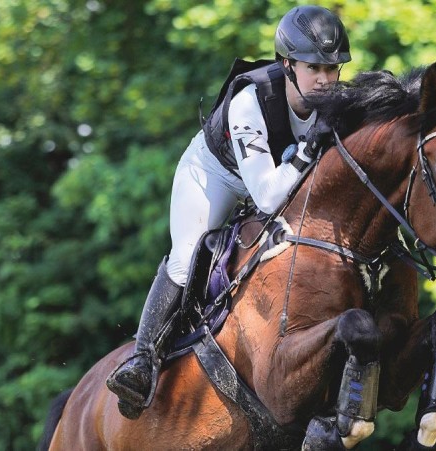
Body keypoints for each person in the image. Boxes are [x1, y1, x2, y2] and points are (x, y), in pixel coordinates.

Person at [106, 5, 352, 420]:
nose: (326, 80)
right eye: (315, 68)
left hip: (280, 182)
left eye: (334, 68)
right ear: (287, 64)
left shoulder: (338, 102)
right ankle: (143, 361)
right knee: (188, 255)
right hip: (217, 174)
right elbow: (268, 195)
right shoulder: (251, 101)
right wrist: (311, 149)